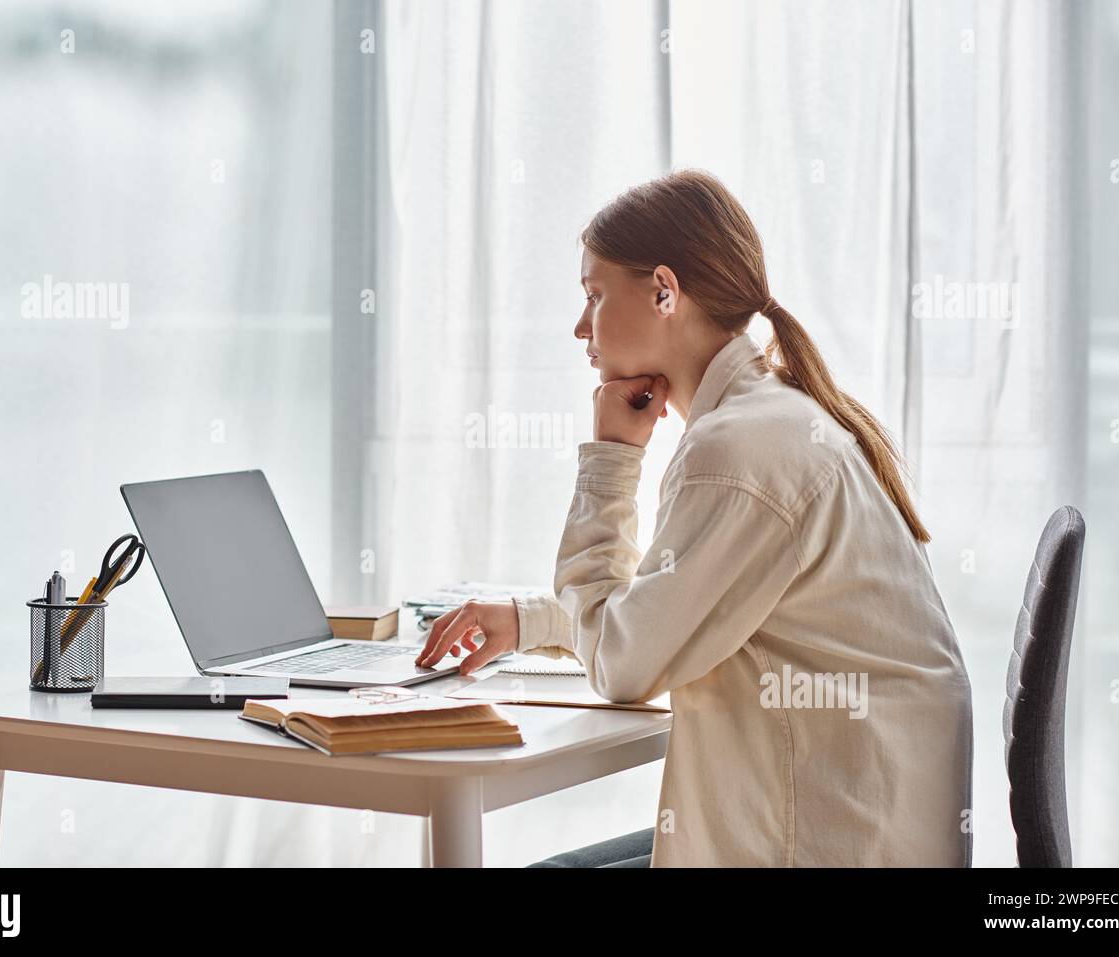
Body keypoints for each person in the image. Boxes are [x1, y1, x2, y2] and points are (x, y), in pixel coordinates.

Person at [415, 169, 973, 867]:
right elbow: (663, 618)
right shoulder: (771, 416)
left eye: (594, 295)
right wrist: (532, 621)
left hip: (822, 840)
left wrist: (612, 459)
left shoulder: (739, 448)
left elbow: (624, 663)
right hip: (852, 826)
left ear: (664, 292)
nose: (580, 327)